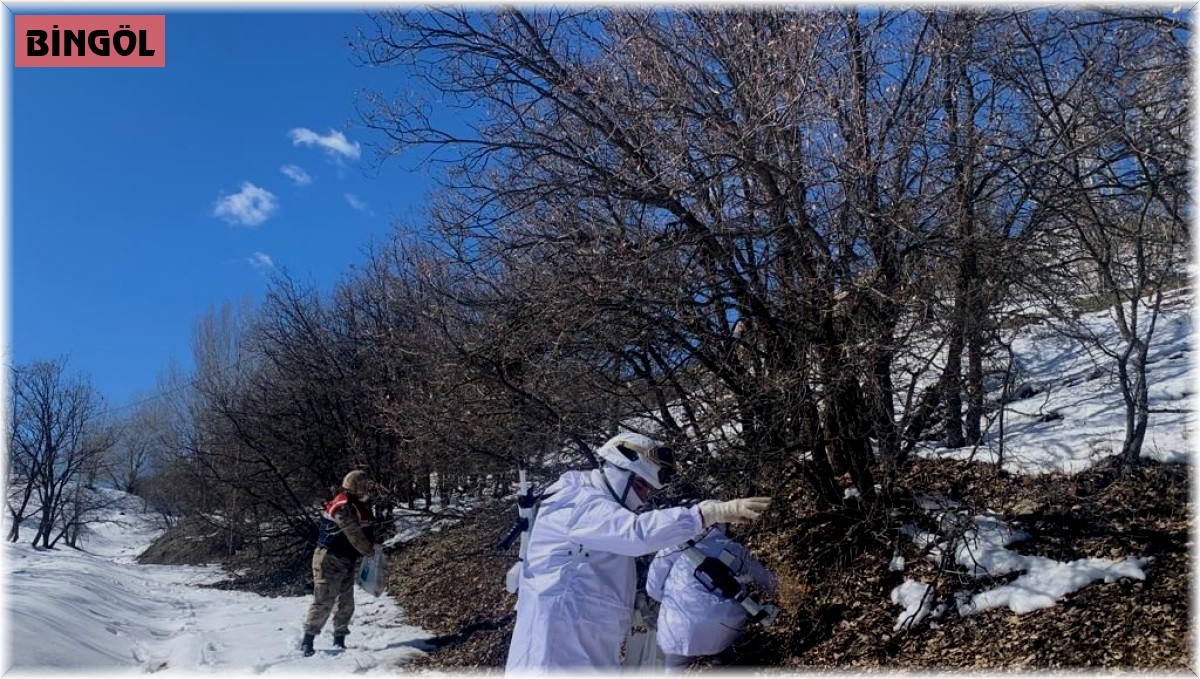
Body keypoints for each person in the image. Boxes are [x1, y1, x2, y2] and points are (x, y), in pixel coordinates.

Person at [504, 432, 771, 673]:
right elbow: (637, 534)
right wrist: (704, 514)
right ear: (621, 471)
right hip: (555, 650)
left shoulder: (596, 506)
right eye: (642, 486)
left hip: (584, 642)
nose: (644, 498)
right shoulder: (579, 500)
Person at [646, 523, 778, 671]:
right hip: (722, 629)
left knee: (673, 665)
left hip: (676, 629)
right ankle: (722, 664)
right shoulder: (734, 549)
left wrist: (672, 601)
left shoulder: (673, 547)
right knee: (726, 654)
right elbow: (767, 581)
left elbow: (652, 588)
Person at [300, 470, 380, 657]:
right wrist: (368, 550)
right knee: (324, 599)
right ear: (356, 487)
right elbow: (352, 532)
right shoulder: (343, 507)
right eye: (364, 486)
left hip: (346, 559)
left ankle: (339, 640)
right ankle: (308, 640)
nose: (368, 490)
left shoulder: (359, 505)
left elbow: (366, 531)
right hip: (329, 559)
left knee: (345, 602)